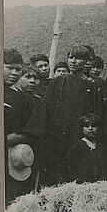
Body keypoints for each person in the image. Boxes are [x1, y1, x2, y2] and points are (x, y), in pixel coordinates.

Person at [43, 45, 102, 186]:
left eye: (78, 58)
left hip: (78, 136)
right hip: (56, 136)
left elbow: (94, 113)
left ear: (87, 61)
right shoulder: (58, 81)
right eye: (71, 57)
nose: (74, 61)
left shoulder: (92, 86)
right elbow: (47, 108)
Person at [3, 49, 42, 206]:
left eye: (17, 69)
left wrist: (12, 139)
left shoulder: (25, 100)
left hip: (13, 157)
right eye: (9, 68)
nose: (14, 73)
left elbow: (34, 129)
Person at [15, 65, 50, 188]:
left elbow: (34, 131)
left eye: (36, 78)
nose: (32, 81)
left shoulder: (40, 103)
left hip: (28, 152)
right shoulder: (13, 97)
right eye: (28, 77)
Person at [63, 113, 107, 184]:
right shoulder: (78, 145)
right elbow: (71, 165)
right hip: (83, 183)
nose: (90, 129)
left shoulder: (101, 145)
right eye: (87, 126)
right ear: (82, 129)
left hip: (100, 183)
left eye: (93, 126)